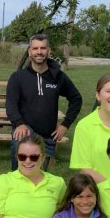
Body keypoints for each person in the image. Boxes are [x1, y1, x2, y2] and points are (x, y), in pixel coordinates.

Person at [6, 33, 82, 170]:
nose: (39, 52)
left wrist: (65, 124)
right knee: (19, 175)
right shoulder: (18, 77)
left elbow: (76, 99)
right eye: (35, 48)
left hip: (48, 135)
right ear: (29, 51)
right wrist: (19, 123)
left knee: (41, 178)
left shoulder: (58, 77)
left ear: (49, 51)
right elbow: (11, 104)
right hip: (25, 133)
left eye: (43, 48)